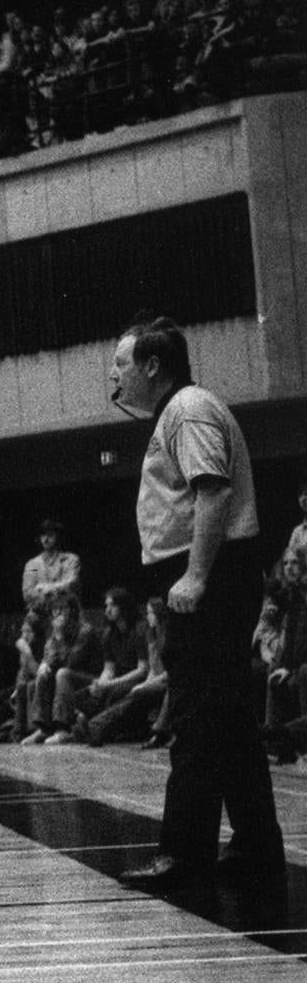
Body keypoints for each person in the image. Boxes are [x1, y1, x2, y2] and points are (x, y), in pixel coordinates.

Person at [109, 316, 285, 895]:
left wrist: (195, 576)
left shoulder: (187, 409)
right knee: (229, 719)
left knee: (194, 717)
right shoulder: (183, 409)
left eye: (121, 364)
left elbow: (213, 491)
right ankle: (257, 847)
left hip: (209, 583)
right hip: (212, 581)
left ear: (152, 365)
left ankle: (184, 855)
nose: (115, 375)